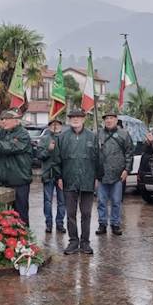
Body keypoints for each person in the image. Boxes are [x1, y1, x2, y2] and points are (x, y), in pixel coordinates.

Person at [56, 108, 103, 255]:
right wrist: (59, 177)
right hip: (69, 180)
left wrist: (97, 177)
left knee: (86, 213)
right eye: (72, 117)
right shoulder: (62, 137)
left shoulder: (92, 137)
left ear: (84, 119)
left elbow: (98, 159)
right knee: (70, 213)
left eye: (78, 117)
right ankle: (73, 241)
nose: (75, 119)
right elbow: (57, 159)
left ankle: (85, 242)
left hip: (88, 180)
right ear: (69, 120)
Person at [0, 109, 33, 224]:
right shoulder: (3, 132)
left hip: (19, 181)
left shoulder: (23, 134)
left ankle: (23, 239)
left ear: (16, 121)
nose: (3, 122)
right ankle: (7, 240)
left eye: (6, 119)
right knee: (5, 215)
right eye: (2, 119)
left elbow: (8, 147)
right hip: (3, 182)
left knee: (20, 214)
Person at [96, 112, 133, 236]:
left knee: (116, 201)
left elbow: (129, 153)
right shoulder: (98, 134)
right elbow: (93, 153)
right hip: (102, 174)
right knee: (101, 201)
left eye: (111, 118)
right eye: (106, 118)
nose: (108, 120)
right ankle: (102, 224)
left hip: (118, 174)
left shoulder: (124, 134)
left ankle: (115, 224)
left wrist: (127, 170)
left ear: (116, 120)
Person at [37, 118, 66, 234]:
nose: (56, 126)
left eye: (58, 124)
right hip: (48, 174)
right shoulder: (44, 139)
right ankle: (48, 224)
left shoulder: (64, 138)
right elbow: (39, 155)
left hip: (62, 175)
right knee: (48, 201)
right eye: (53, 124)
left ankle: (60, 223)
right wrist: (48, 150)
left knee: (62, 201)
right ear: (49, 126)